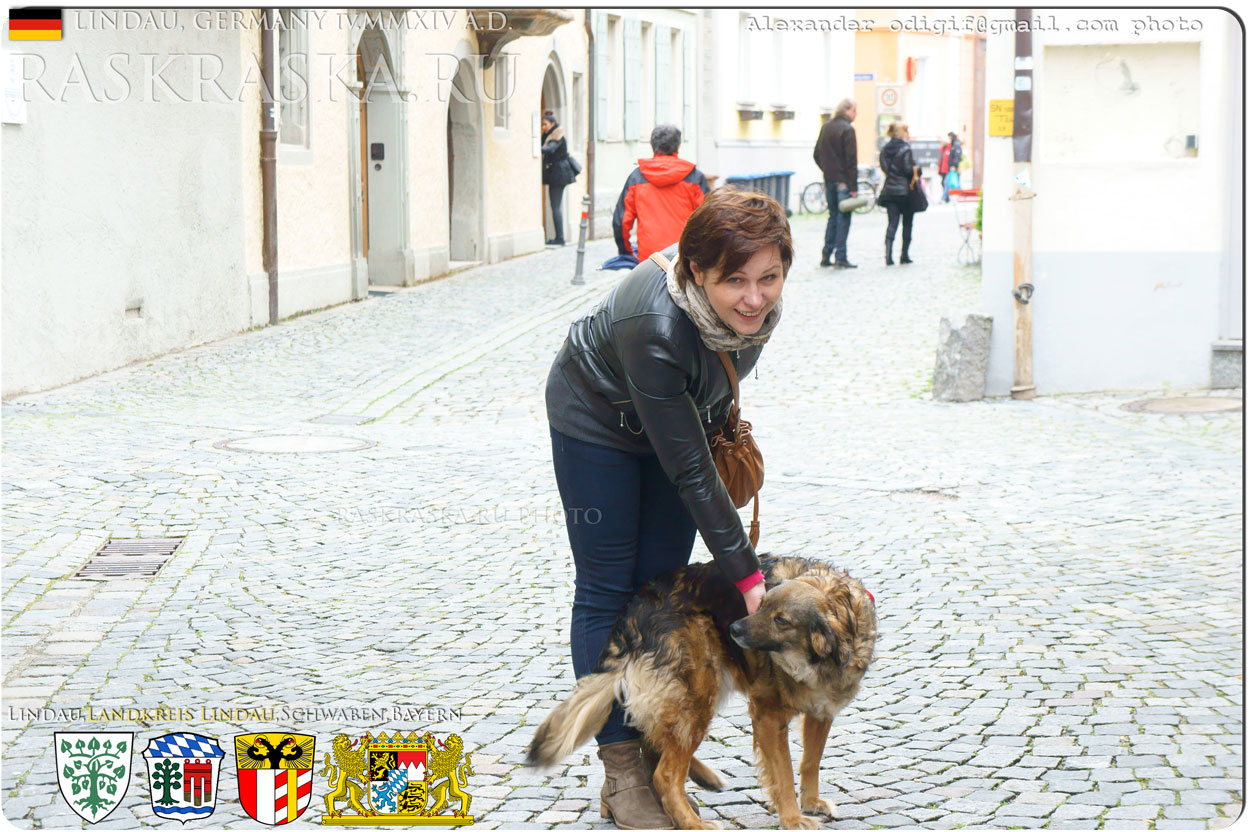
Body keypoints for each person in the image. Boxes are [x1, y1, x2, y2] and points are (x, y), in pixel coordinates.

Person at [545, 189, 791, 829]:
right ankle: (622, 768)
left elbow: (704, 410)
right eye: (734, 280)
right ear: (694, 270)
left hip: (674, 421)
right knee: (607, 586)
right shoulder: (655, 326)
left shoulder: (756, 307)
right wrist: (747, 576)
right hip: (597, 422)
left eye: (769, 277)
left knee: (658, 591)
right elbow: (689, 471)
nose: (755, 298)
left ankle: (661, 742)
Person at [611, 124, 710, 261]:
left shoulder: (637, 177)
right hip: (685, 254)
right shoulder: (694, 177)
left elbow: (620, 222)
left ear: (652, 145)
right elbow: (709, 218)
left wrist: (625, 251)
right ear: (678, 146)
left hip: (650, 259)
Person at [813, 98, 858, 268]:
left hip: (829, 179)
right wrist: (853, 187)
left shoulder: (826, 127)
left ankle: (826, 254)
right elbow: (851, 161)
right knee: (843, 218)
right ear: (847, 110)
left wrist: (827, 170)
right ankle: (841, 256)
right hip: (843, 182)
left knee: (832, 217)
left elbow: (816, 154)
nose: (856, 115)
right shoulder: (848, 129)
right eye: (854, 111)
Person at [877, 121, 919, 266]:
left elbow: (884, 168)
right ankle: (904, 255)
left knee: (892, 224)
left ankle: (888, 256)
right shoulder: (905, 148)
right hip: (904, 192)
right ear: (901, 133)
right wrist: (917, 171)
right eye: (907, 131)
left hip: (889, 190)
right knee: (907, 224)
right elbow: (908, 170)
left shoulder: (884, 150)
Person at [541, 112, 577, 246]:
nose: (543, 127)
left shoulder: (557, 136)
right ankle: (558, 237)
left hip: (559, 175)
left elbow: (549, 149)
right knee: (555, 206)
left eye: (545, 124)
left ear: (552, 124)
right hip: (555, 175)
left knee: (555, 206)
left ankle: (560, 238)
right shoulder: (549, 135)